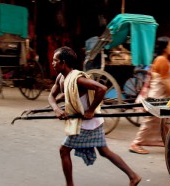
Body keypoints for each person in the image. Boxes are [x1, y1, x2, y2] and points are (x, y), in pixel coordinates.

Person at [48, 46, 141, 186]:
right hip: (87, 121)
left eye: (55, 60)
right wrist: (56, 108)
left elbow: (101, 89)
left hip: (87, 123)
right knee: (104, 151)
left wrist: (91, 110)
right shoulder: (61, 77)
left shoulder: (77, 79)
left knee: (64, 150)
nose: (52, 63)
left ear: (63, 62)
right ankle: (133, 176)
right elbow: (51, 96)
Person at [130, 36, 170, 154]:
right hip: (158, 96)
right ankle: (136, 143)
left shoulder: (164, 59)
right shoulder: (161, 60)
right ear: (164, 48)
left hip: (161, 95)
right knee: (152, 120)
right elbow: (164, 81)